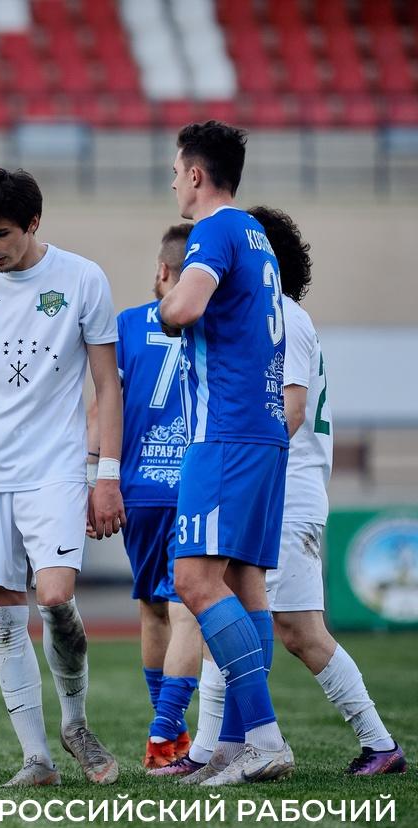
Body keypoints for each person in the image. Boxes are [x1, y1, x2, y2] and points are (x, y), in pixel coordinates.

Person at [178, 206, 405, 778]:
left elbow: (293, 409)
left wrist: (247, 467)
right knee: (226, 603)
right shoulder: (272, 315)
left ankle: (378, 742)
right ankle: (212, 749)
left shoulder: (285, 318)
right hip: (275, 484)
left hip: (286, 489)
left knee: (295, 629)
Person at [0, 167, 124, 787]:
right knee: (3, 612)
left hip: (57, 472)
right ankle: (36, 758)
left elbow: (107, 384)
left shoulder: (83, 278)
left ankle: (75, 722)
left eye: (2, 234)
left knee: (57, 597)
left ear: (34, 224)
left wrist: (106, 475)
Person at [159, 122, 293, 786]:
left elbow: (183, 308)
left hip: (227, 428)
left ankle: (264, 737)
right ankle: (240, 742)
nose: (172, 180)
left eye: (175, 170)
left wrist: (162, 304)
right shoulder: (258, 236)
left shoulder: (213, 230)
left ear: (195, 175)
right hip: (264, 429)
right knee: (243, 582)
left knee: (193, 580)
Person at [92, 224, 203, 769]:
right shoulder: (211, 323)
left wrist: (94, 479)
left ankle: (168, 735)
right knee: (187, 607)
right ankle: (166, 733)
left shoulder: (128, 326)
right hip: (196, 484)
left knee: (153, 608)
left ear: (162, 270)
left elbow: (102, 408)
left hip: (137, 488)